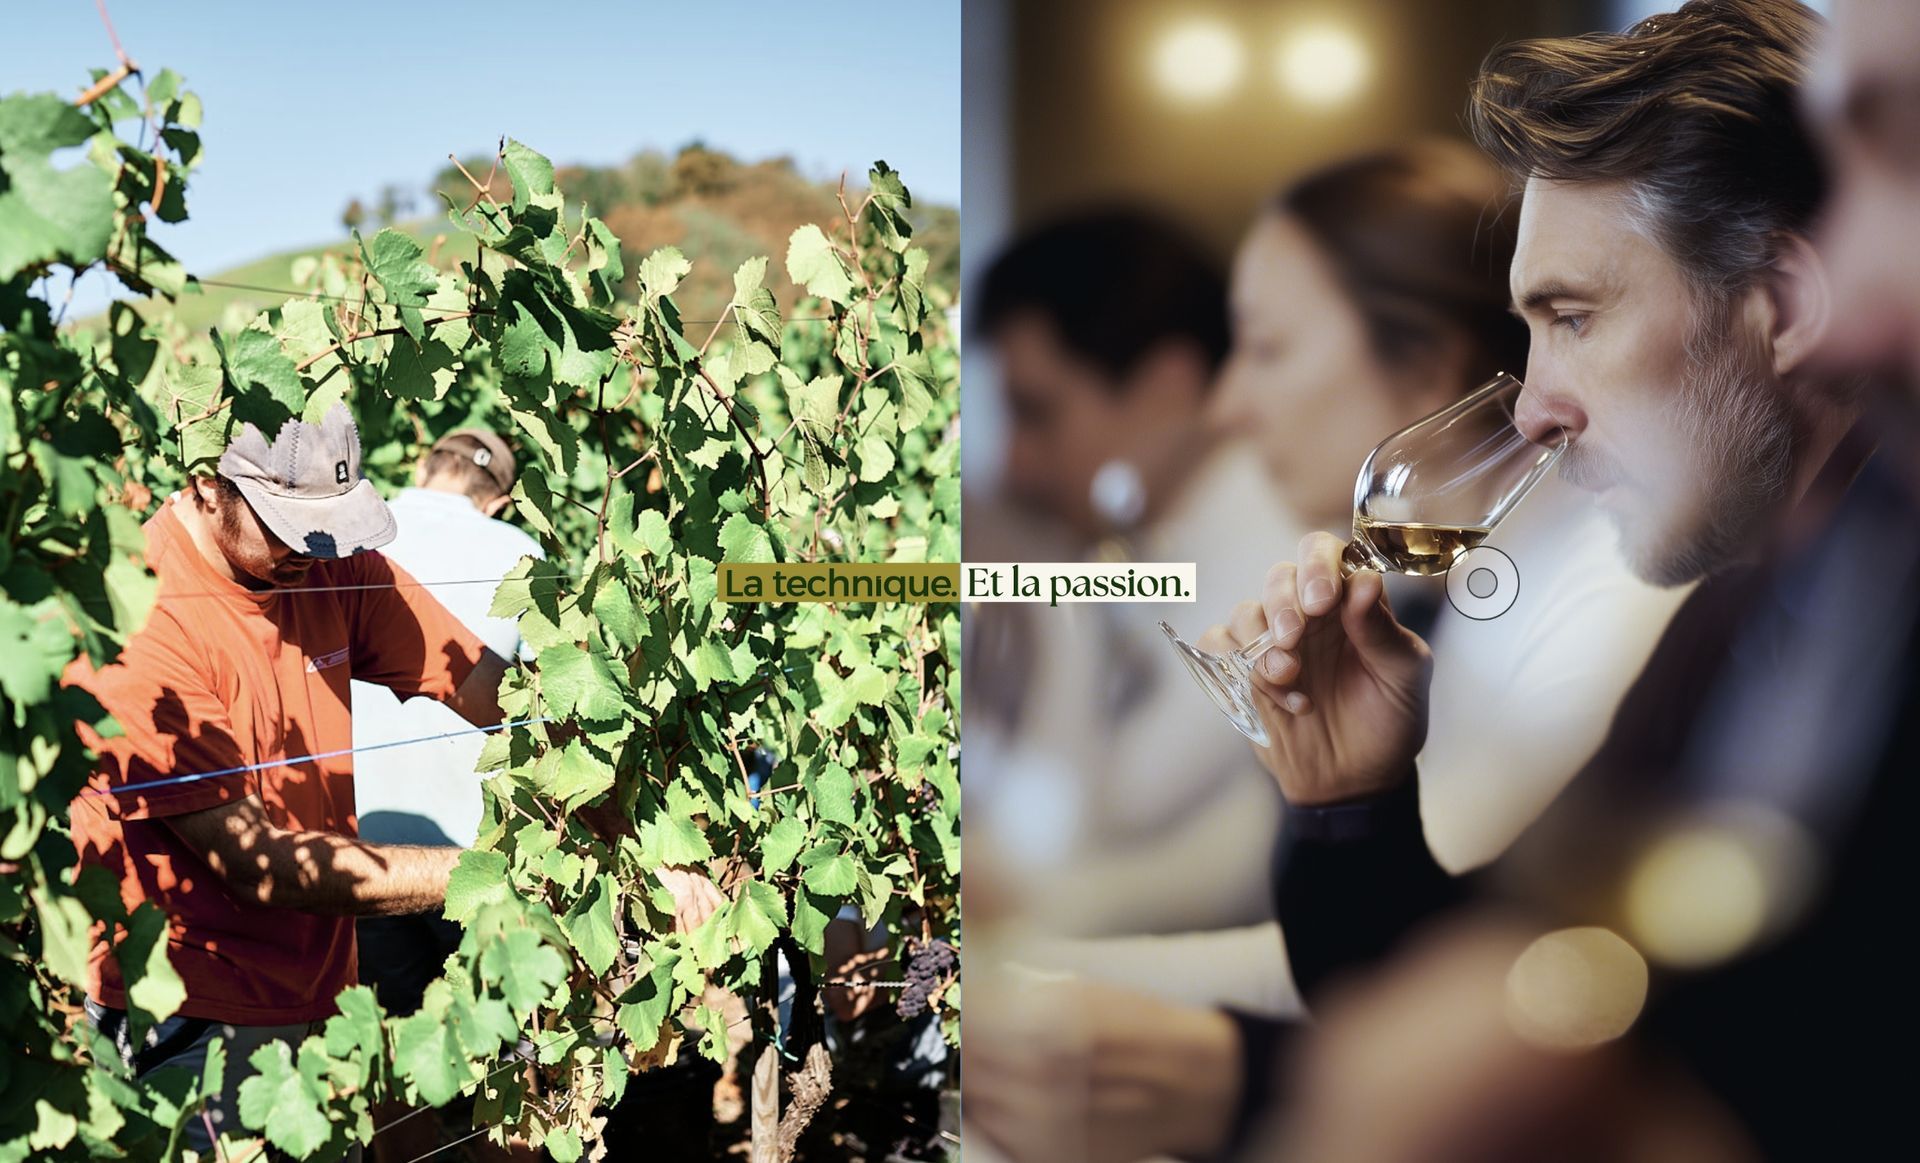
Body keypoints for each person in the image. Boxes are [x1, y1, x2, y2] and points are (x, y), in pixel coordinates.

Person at [1206, 2, 1911, 1157]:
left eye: (1572, 319)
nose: (1532, 406)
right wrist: (1351, 807)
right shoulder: (1761, 599)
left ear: (1782, 305)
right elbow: (1511, 981)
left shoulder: (1870, 588)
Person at [966, 142, 1690, 1163]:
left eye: (1265, 347)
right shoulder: (1443, 603)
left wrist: (1022, 975)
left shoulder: (1586, 616)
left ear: (1432, 363)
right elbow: (1388, 957)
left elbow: (1497, 1002)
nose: (1229, 407)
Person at [64, 405, 509, 1153]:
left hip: (319, 984)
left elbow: (488, 684)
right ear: (207, 484)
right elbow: (262, 865)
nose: (315, 543)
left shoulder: (328, 556)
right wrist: (490, 875)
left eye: (329, 521)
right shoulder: (141, 618)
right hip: (185, 1010)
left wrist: (615, 806)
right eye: (286, 523)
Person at [970, 208, 1298, 934]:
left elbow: (1193, 836)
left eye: (1038, 412)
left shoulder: (1283, 562)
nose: (1014, 464)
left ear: (1167, 387)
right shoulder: (1128, 552)